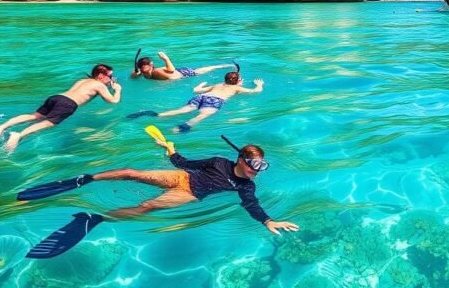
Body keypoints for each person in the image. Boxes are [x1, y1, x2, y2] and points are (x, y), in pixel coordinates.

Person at [17, 135, 299, 258]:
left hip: (190, 194)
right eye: (255, 166)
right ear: (241, 159)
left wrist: (268, 221)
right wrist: (170, 150)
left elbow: (252, 205)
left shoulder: (245, 187)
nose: (257, 172)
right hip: (183, 178)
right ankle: (85, 179)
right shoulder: (217, 161)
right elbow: (185, 164)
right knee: (130, 171)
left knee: (146, 206)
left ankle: (96, 218)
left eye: (262, 167)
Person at [0, 64, 122, 152]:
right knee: (49, 123)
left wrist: (109, 85)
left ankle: (2, 126)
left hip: (56, 97)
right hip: (68, 104)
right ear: (101, 75)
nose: (111, 79)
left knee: (34, 116)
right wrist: (117, 90)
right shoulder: (100, 85)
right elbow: (113, 101)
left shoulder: (83, 80)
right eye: (110, 76)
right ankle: (18, 135)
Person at [127, 70, 264, 133]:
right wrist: (259, 85)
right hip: (215, 101)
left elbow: (196, 90)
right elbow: (255, 92)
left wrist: (201, 84)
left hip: (201, 97)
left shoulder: (217, 85)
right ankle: (178, 129)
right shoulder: (238, 88)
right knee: (200, 117)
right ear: (238, 81)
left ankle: (154, 114)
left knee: (179, 110)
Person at [131, 51, 234, 81]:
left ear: (151, 65)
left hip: (184, 74)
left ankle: (220, 66)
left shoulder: (157, 71)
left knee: (200, 71)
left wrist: (166, 59)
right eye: (141, 68)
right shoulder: (143, 73)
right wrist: (135, 74)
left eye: (145, 67)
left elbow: (171, 70)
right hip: (179, 73)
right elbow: (133, 77)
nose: (143, 70)